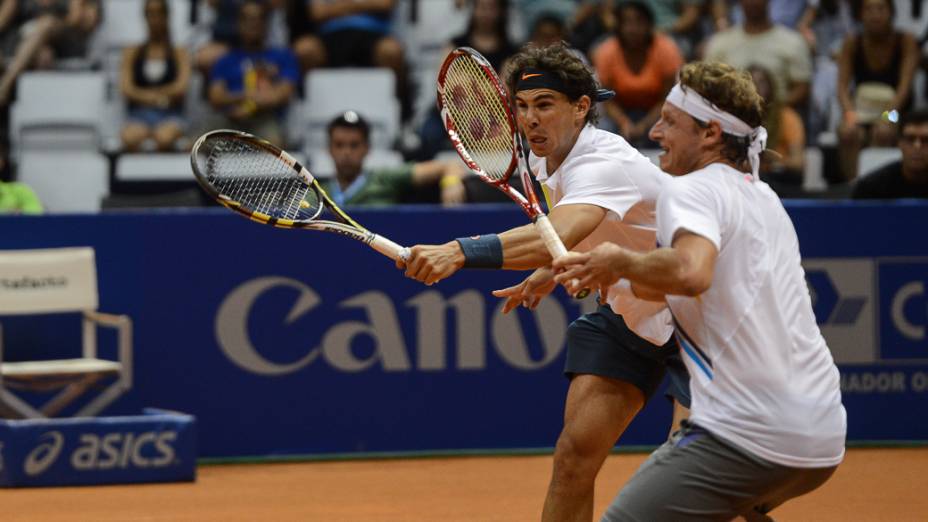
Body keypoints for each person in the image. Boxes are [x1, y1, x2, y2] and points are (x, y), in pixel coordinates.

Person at [397, 43, 690, 521]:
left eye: (545, 105)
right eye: (523, 107)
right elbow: (570, 236)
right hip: (630, 314)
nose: (530, 119)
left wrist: (457, 251)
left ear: (580, 108)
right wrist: (545, 273)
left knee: (692, 478)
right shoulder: (543, 158)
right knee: (574, 458)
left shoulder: (604, 163)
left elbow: (555, 231)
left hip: (695, 319)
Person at [552, 61, 846, 520]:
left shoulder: (690, 190)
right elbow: (673, 290)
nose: (655, 133)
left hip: (746, 431)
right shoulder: (762, 197)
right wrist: (613, 276)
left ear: (710, 134)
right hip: (823, 435)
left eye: (670, 122)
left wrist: (619, 258)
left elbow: (691, 272)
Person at [837, 0, 919, 180]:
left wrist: (884, 117)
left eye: (881, 9)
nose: (875, 15)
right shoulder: (852, 42)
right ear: (860, 14)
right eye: (869, 9)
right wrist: (850, 115)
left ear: (891, 13)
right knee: (848, 132)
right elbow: (842, 88)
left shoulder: (906, 41)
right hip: (861, 112)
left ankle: (878, 184)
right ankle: (853, 185)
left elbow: (904, 88)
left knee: (883, 131)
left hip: (896, 112)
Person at [321, 111, 467, 206]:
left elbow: (449, 165)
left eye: (354, 145)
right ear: (329, 149)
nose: (346, 152)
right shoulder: (314, 193)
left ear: (367, 148)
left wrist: (451, 181)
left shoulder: (385, 178)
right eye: (339, 145)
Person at [207, 0, 299, 148]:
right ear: (238, 24)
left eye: (258, 19)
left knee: (274, 144)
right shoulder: (225, 60)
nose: (253, 24)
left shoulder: (283, 56)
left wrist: (248, 108)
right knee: (194, 146)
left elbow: (280, 95)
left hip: (264, 119)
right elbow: (216, 97)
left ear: (266, 23)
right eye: (247, 19)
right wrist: (246, 97)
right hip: (229, 120)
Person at [592, 0, 683, 148]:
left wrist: (644, 124)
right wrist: (624, 122)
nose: (632, 28)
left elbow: (668, 97)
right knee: (602, 131)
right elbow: (607, 100)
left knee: (673, 130)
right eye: (626, 22)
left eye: (639, 21)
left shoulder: (666, 48)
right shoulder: (605, 51)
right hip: (619, 112)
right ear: (618, 26)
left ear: (649, 24)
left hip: (658, 111)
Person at [704, 0, 813, 110]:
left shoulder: (793, 42)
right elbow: (708, 83)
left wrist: (771, 110)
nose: (752, 2)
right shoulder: (720, 42)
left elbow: (802, 86)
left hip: (777, 117)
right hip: (730, 115)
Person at [120, 0, 191, 152]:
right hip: (139, 116)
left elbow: (181, 88)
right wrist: (161, 98)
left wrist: (143, 96)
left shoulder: (178, 53)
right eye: (151, 14)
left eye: (159, 14)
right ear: (145, 17)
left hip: (171, 115)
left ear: (167, 17)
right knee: (129, 137)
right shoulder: (133, 52)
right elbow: (126, 89)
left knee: (164, 137)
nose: (155, 19)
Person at [748, 64, 805, 192]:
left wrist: (771, 157)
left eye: (761, 82)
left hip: (779, 178)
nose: (756, 87)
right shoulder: (735, 118)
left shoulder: (787, 117)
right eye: (751, 82)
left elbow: (798, 163)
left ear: (770, 86)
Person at [853, 108, 928, 198]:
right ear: (899, 143)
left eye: (925, 140)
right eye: (910, 139)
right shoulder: (871, 187)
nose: (917, 146)